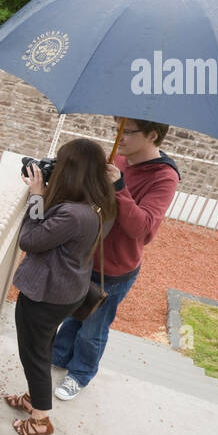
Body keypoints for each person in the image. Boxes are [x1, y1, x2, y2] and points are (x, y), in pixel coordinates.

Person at [52, 117, 181, 400]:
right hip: (88, 255)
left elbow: (143, 229)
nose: (119, 137)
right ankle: (59, 355)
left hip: (115, 268)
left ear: (152, 135)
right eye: (117, 129)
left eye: (128, 132)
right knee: (76, 312)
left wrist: (119, 187)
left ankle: (80, 374)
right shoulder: (120, 160)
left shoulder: (164, 177)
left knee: (93, 327)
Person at [5, 138, 117, 435]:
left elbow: (30, 239)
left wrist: (37, 196)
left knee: (34, 354)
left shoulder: (73, 214)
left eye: (60, 161)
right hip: (68, 291)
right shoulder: (98, 205)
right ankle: (33, 398)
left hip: (47, 295)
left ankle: (41, 419)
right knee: (42, 348)